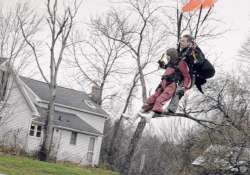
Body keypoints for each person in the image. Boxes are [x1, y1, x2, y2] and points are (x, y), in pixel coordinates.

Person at [139, 48, 191, 122]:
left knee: (160, 99)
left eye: (168, 56)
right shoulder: (170, 63)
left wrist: (184, 87)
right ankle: (135, 115)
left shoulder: (181, 63)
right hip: (163, 83)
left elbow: (186, 76)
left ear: (172, 56)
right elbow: (168, 69)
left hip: (172, 84)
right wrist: (162, 65)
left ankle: (150, 116)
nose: (167, 57)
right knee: (152, 98)